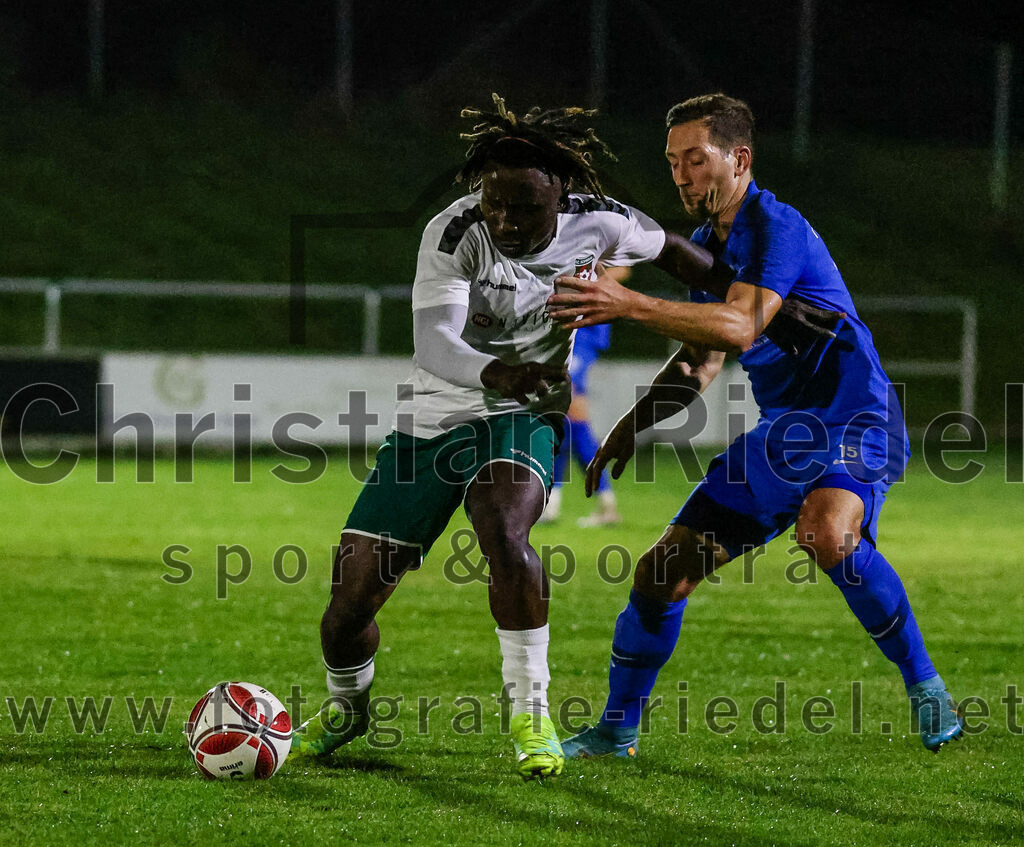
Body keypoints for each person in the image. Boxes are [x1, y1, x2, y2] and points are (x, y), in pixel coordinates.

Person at [290, 94, 804, 780]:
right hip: (435, 418)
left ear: (561, 195)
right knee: (347, 606)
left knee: (506, 529)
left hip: (525, 413)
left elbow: (676, 251)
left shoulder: (602, 221)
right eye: (495, 202)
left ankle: (531, 711)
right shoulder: (453, 231)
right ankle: (348, 706)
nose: (505, 219)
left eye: (524, 207)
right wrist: (499, 370)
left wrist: (751, 294)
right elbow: (434, 342)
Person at [547, 93, 964, 759]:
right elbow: (702, 360)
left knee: (827, 532)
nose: (681, 174)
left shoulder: (777, 227)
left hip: (856, 417)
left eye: (695, 158)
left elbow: (741, 324)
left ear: (739, 159)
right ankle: (615, 731)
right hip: (786, 434)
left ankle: (926, 686)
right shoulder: (712, 248)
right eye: (673, 162)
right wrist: (630, 426)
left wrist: (627, 302)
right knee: (660, 574)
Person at [539, 320, 622, 527]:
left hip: (577, 338)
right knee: (564, 433)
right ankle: (551, 506)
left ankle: (606, 506)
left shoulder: (582, 333)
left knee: (574, 425)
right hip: (574, 338)